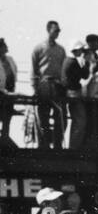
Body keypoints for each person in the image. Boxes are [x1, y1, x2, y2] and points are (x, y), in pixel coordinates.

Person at [31, 21, 67, 149]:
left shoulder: (61, 50)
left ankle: (57, 143)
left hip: (57, 85)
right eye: (55, 30)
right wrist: (35, 87)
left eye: (59, 31)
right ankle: (44, 144)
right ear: (48, 30)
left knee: (61, 116)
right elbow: (34, 69)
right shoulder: (39, 48)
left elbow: (64, 69)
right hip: (44, 84)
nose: (57, 33)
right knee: (43, 116)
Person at [0, 38, 18, 147]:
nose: (7, 48)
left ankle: (5, 138)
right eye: (4, 46)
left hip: (10, 93)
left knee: (7, 116)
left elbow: (14, 72)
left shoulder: (10, 60)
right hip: (1, 94)